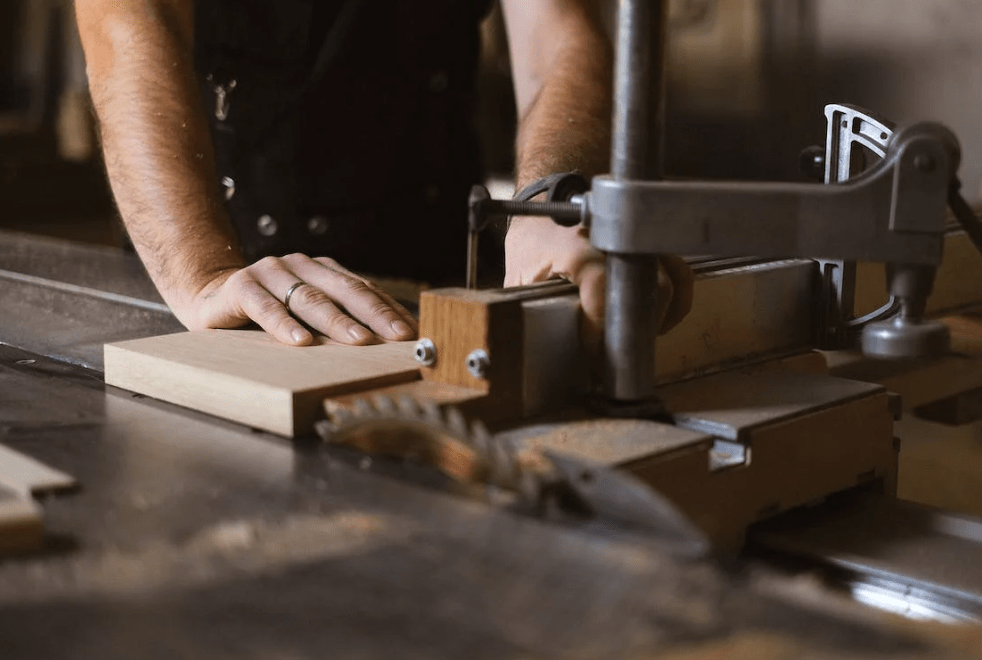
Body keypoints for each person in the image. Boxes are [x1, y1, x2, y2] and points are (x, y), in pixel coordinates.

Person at [75, 0, 691, 349]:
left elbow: (558, 34)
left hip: (434, 263)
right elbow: (126, 19)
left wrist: (554, 201)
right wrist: (201, 271)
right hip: (212, 267)